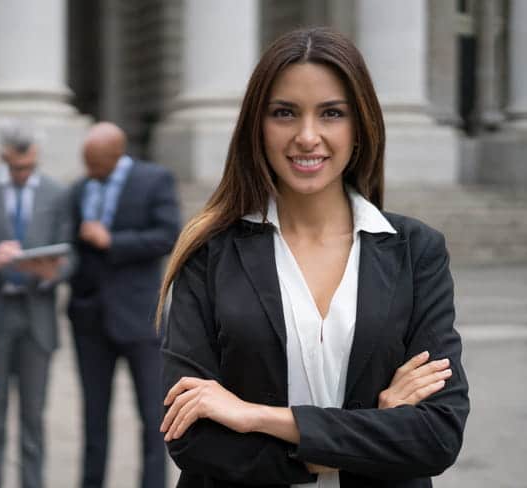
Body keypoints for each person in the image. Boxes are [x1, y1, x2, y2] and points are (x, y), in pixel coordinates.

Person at [158, 27, 469, 487]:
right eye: (284, 113)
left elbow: (436, 435)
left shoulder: (415, 250)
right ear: (257, 127)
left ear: (360, 125)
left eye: (331, 114)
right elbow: (194, 440)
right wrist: (374, 431)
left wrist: (256, 416)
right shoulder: (209, 252)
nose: (308, 136)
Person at [0, 124, 74, 488]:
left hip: (37, 319)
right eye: (16, 167)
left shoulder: (56, 193)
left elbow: (71, 255)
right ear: (3, 157)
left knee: (33, 421)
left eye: (29, 167)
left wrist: (51, 272)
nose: (23, 174)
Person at [68, 122, 181, 488]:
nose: (89, 171)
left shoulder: (155, 180)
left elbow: (167, 236)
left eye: (95, 163)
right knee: (93, 416)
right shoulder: (80, 188)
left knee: (153, 417)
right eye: (86, 162)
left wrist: (111, 241)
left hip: (140, 317)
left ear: (117, 155)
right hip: (89, 317)